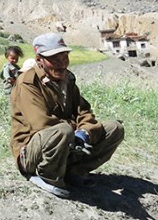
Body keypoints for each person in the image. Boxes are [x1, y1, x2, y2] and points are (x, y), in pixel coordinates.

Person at [11, 32, 124, 198]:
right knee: (63, 130)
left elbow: (83, 112)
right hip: (31, 151)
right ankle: (48, 175)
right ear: (39, 59)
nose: (61, 64)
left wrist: (85, 132)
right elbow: (41, 123)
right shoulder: (28, 82)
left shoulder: (68, 80)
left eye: (64, 58)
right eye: (55, 59)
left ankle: (74, 171)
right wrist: (74, 132)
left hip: (66, 142)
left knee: (115, 129)